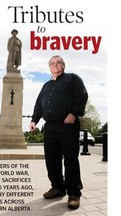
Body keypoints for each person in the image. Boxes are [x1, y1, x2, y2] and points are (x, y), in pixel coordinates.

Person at [29, 55, 88, 210]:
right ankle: (58, 187)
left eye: (58, 62)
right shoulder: (46, 86)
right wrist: (34, 120)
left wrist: (74, 113)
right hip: (50, 128)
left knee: (70, 160)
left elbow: (82, 95)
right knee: (52, 159)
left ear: (63, 65)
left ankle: (74, 193)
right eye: (52, 63)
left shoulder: (72, 79)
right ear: (49, 67)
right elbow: (39, 105)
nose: (54, 65)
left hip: (67, 125)